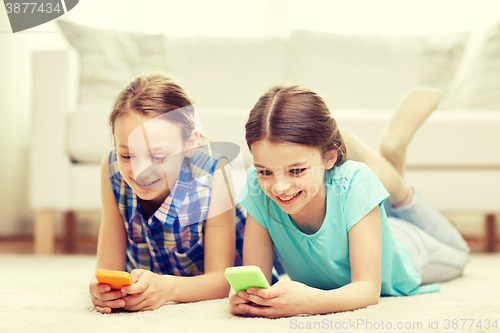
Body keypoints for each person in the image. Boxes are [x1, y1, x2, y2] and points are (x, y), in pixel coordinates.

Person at [229, 85, 470, 318]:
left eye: (296, 170)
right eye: (265, 172)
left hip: (404, 245)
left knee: (460, 254)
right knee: (354, 192)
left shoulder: (355, 181)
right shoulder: (256, 185)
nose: (279, 187)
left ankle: (398, 184)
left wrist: (309, 302)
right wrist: (250, 298)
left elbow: (367, 289)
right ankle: (387, 172)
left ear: (329, 157)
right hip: (358, 218)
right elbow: (256, 276)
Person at [89, 73, 245, 313]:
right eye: (127, 155)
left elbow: (221, 279)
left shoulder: (214, 171)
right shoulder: (110, 168)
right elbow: (109, 269)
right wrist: (103, 289)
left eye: (158, 157)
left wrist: (167, 288)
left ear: (190, 143)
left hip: (209, 280)